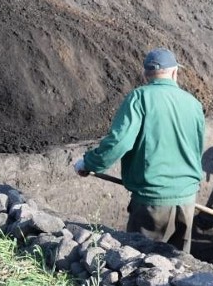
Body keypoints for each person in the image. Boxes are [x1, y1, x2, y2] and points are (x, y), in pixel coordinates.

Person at [74, 47, 205, 253]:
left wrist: (89, 163)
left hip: (152, 201)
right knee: (179, 267)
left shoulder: (139, 98)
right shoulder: (194, 104)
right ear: (174, 72)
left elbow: (119, 142)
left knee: (142, 264)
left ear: (146, 75)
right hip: (187, 199)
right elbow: (197, 148)